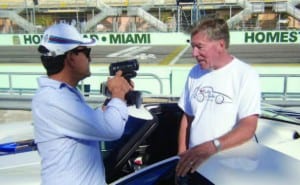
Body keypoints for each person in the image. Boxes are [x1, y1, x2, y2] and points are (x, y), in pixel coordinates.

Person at [32, 23, 132, 185]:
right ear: (71, 57)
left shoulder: (61, 94)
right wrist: (118, 93)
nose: (90, 58)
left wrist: (116, 99)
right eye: (86, 52)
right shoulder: (55, 98)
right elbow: (112, 129)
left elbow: (92, 122)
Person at [175, 18, 261, 178]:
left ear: (221, 45)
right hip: (194, 167)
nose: (194, 53)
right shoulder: (195, 73)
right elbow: (187, 117)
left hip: (227, 172)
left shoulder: (245, 75)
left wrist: (211, 147)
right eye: (192, 47)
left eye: (199, 47)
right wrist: (181, 155)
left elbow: (248, 127)